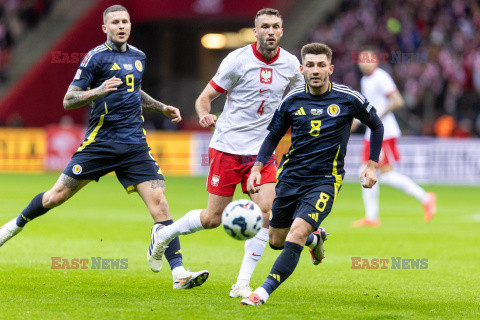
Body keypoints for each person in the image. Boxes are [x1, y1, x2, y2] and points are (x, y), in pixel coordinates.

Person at [0, 5, 208, 290]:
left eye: (125, 21)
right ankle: (14, 226)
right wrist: (98, 91)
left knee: (160, 203)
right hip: (101, 144)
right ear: (105, 28)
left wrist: (161, 108)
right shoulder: (94, 58)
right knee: (56, 196)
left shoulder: (139, 56)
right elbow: (68, 100)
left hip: (135, 144)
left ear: (130, 25)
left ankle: (179, 273)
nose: (121, 26)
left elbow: (134, 90)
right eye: (115, 22)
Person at [147, 8, 325, 299]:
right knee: (212, 218)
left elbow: (300, 98)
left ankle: (241, 282)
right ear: (255, 32)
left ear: (282, 31)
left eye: (275, 26)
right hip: (227, 147)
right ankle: (164, 234)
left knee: (267, 214)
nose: (270, 31)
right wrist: (204, 115)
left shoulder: (292, 65)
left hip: (262, 151)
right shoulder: (237, 60)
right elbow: (205, 97)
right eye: (264, 26)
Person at [240, 42, 384, 306]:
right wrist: (257, 167)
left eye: (321, 65)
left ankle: (262, 292)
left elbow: (376, 124)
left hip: (325, 181)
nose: (315, 70)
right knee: (275, 240)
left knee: (295, 233)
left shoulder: (348, 98)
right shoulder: (292, 99)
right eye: (310, 65)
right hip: (291, 177)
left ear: (330, 68)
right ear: (302, 69)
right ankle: (315, 239)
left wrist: (372, 163)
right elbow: (273, 135)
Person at [353, 49, 436, 227]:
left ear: (375, 61)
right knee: (369, 171)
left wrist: (376, 118)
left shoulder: (381, 77)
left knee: (380, 173)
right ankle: (372, 216)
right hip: (373, 132)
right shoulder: (365, 80)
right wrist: (359, 120)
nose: (362, 63)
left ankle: (425, 197)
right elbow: (369, 107)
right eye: (360, 60)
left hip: (384, 132)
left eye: (366, 59)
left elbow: (397, 100)